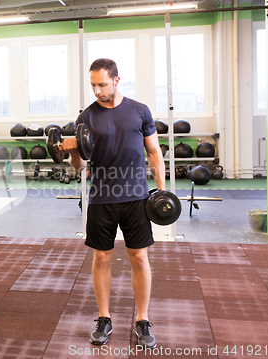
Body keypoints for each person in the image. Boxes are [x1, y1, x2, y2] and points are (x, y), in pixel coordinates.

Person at [68, 59, 165, 348]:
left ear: (117, 80)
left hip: (136, 197)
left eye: (102, 84)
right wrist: (73, 152)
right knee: (101, 258)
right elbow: (80, 166)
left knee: (138, 257)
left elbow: (154, 152)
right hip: (101, 198)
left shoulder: (139, 111)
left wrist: (160, 193)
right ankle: (104, 317)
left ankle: (143, 319)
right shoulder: (86, 118)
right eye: (93, 85)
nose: (97, 91)